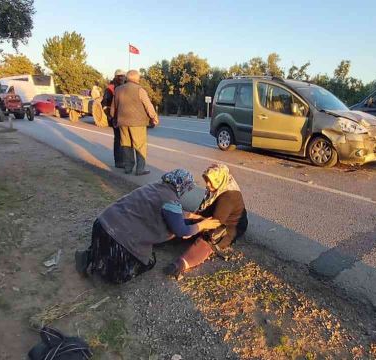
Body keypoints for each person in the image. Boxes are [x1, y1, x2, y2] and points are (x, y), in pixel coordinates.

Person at [74, 169, 221, 284]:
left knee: (106, 247)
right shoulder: (170, 200)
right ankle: (102, 266)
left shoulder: (154, 187)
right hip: (118, 239)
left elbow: (163, 209)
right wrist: (203, 224)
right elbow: (181, 230)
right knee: (138, 266)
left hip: (101, 225)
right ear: (183, 186)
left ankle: (90, 255)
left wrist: (191, 215)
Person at [164, 164, 248, 278]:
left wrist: (194, 229)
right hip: (213, 217)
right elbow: (203, 210)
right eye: (207, 180)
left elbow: (215, 222)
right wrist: (193, 221)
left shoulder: (228, 196)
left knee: (209, 238)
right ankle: (162, 239)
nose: (207, 184)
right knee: (185, 223)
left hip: (229, 225)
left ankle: (182, 263)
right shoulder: (216, 188)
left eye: (210, 181)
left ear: (219, 179)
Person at [111, 70, 159, 176]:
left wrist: (114, 119)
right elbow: (148, 105)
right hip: (138, 123)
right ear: (137, 78)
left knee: (126, 145)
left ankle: (128, 167)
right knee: (140, 146)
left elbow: (113, 108)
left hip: (122, 122)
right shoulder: (140, 90)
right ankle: (140, 169)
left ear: (127, 78)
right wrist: (154, 117)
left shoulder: (118, 90)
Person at [102, 70, 126, 168]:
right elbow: (104, 105)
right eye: (120, 76)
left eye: (123, 76)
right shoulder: (110, 89)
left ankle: (123, 160)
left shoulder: (122, 87)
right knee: (118, 139)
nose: (122, 78)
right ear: (116, 77)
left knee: (123, 139)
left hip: (123, 117)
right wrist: (111, 117)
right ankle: (119, 161)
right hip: (115, 118)